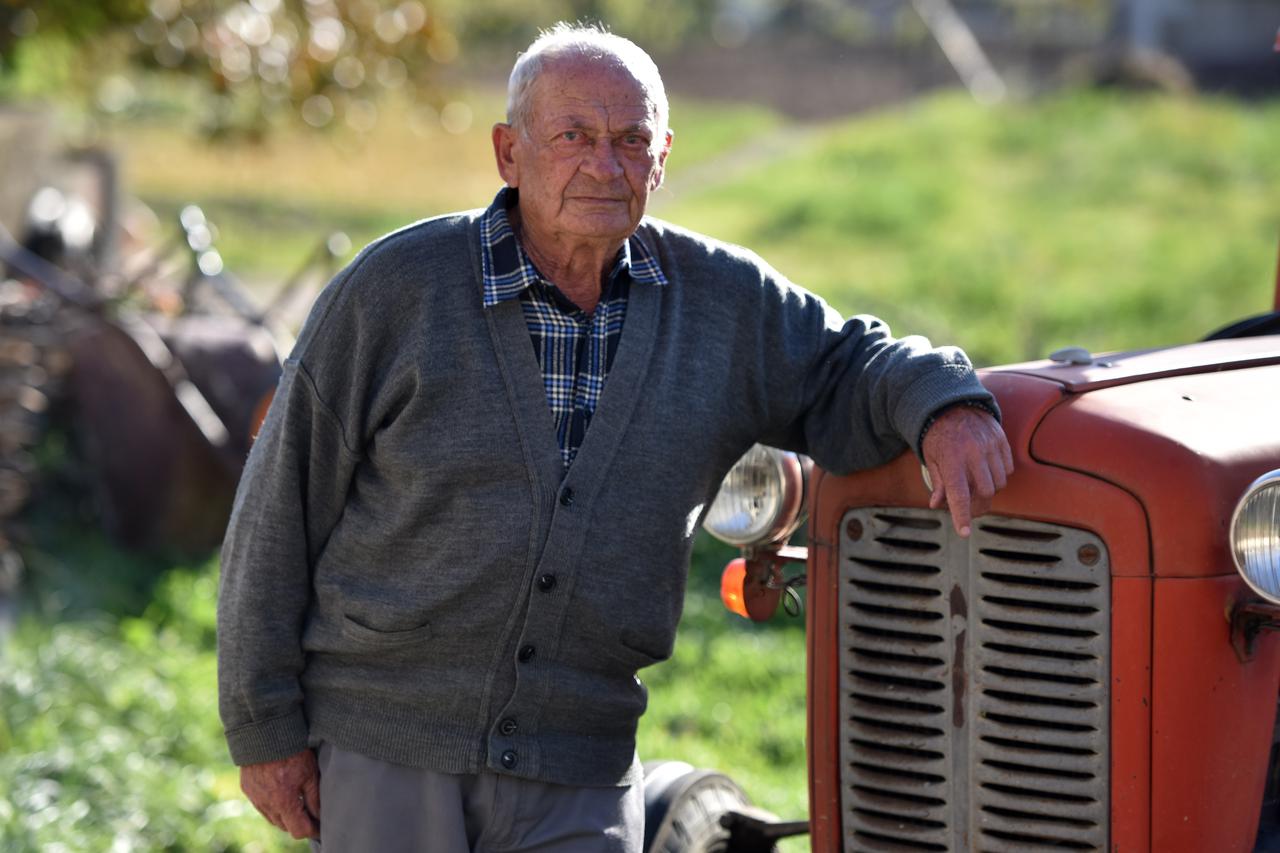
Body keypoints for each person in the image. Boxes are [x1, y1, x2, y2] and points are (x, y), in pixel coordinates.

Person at [217, 22, 1013, 852]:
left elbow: (847, 362)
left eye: (631, 140)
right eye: (573, 136)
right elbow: (276, 510)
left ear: (662, 158)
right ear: (509, 153)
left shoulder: (722, 301)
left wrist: (944, 402)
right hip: (388, 747)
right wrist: (263, 726)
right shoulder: (395, 289)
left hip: (583, 758)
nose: (604, 164)